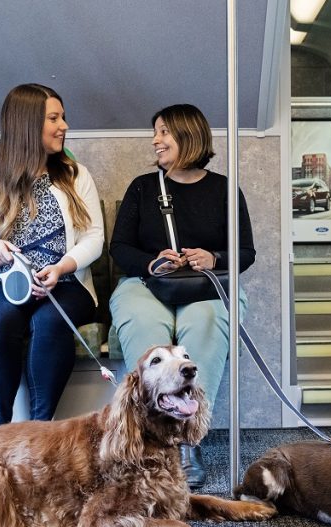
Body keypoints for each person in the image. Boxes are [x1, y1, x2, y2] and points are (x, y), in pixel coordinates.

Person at [108, 104, 256, 488]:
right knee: (146, 322)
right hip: (145, 285)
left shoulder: (225, 188)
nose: (155, 140)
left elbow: (246, 252)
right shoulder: (143, 187)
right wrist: (152, 263)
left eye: (163, 132)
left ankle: (188, 440)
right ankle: (148, 435)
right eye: (155, 133)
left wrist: (215, 256)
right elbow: (119, 247)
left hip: (208, 287)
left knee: (206, 321)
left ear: (188, 135)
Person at [0, 83, 104, 427]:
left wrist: (60, 269)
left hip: (65, 282)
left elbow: (94, 238)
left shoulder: (76, 175)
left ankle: (41, 432)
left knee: (48, 322)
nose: (64, 126)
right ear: (27, 124)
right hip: (0, 283)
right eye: (54, 118)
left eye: (63, 117)